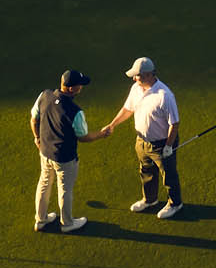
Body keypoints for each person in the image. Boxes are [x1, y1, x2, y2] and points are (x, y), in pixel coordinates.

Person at [30, 69, 111, 232]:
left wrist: (37, 138)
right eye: (80, 85)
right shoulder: (75, 111)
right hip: (65, 158)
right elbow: (83, 137)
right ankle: (67, 223)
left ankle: (40, 220)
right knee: (65, 189)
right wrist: (102, 134)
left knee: (44, 183)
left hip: (44, 152)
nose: (81, 88)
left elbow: (34, 118)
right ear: (71, 88)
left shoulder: (44, 95)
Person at [105, 56, 185, 219]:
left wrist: (169, 146)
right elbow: (128, 109)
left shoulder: (165, 95)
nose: (134, 78)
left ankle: (175, 203)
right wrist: (112, 124)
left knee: (168, 174)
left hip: (162, 144)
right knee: (146, 171)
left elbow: (174, 123)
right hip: (141, 141)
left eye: (138, 75)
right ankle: (150, 200)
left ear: (149, 75)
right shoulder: (136, 88)